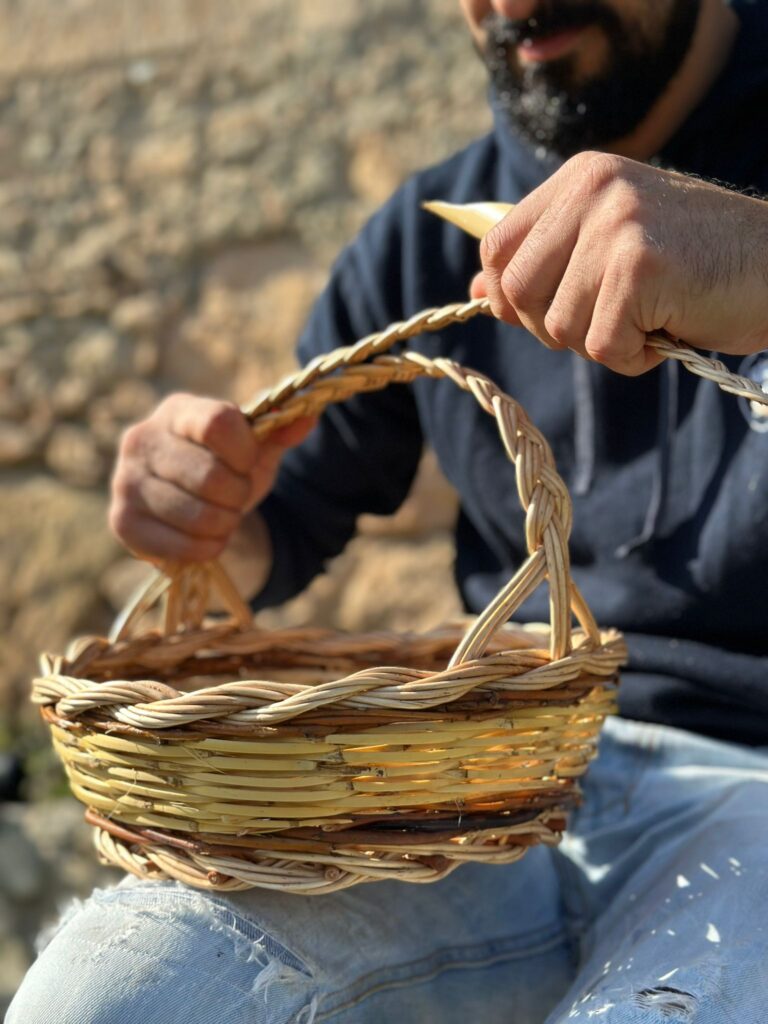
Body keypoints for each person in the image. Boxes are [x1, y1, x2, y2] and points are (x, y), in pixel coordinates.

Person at [9, 1, 768, 1021]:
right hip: (494, 785)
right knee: (117, 990)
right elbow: (282, 526)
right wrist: (205, 515)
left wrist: (753, 258)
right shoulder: (436, 228)